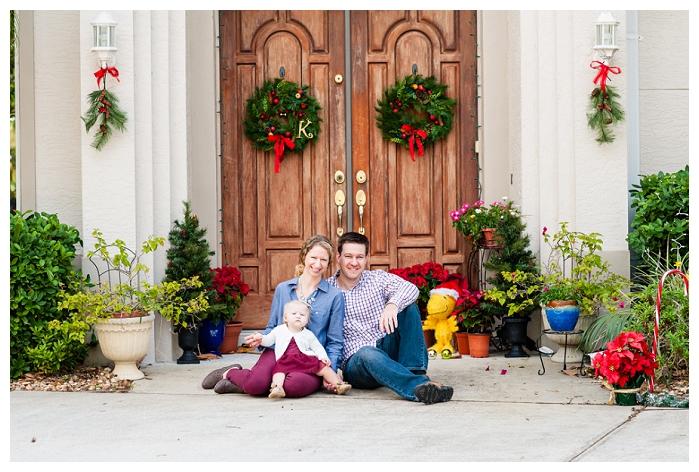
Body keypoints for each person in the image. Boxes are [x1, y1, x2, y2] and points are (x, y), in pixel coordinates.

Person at [201, 235, 345, 397]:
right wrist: (260, 339)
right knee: (256, 384)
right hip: (279, 350)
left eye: (323, 260)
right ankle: (231, 373)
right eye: (313, 257)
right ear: (304, 256)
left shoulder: (334, 296)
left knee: (293, 386)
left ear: (329, 263)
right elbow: (272, 328)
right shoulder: (283, 289)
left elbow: (335, 341)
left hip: (310, 359)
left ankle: (249, 385)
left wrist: (329, 373)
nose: (317, 264)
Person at [328, 231, 454, 405]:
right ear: (338, 257)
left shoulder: (377, 279)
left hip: (385, 346)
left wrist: (392, 304)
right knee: (366, 352)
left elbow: (411, 289)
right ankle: (420, 387)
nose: (354, 263)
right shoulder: (327, 290)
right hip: (357, 364)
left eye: (360, 257)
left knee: (408, 306)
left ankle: (416, 372)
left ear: (366, 259)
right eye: (348, 256)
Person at [250, 300, 351, 398]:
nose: (298, 316)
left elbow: (317, 347)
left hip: (304, 359)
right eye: (294, 313)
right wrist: (261, 338)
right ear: (285, 318)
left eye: (302, 315)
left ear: (307, 320)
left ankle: (339, 384)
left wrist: (323, 356)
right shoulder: (279, 330)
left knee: (324, 368)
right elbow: (268, 340)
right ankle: (277, 388)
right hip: (286, 359)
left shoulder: (308, 334)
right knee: (278, 371)